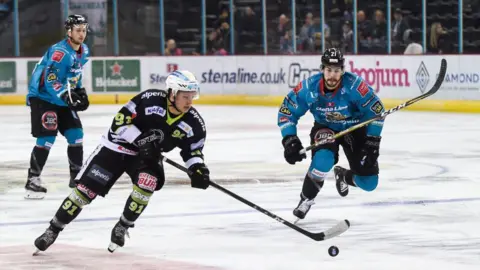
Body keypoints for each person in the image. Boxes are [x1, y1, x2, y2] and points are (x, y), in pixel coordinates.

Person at [33, 70, 210, 254]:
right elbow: (119, 122)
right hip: (115, 148)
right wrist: (141, 140)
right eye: (185, 96)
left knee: (147, 183)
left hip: (145, 157)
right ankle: (52, 230)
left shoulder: (194, 123)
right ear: (172, 93)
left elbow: (193, 151)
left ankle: (123, 226)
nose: (190, 101)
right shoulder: (149, 99)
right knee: (84, 193)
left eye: (192, 96)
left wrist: (198, 169)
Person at [277, 48, 385, 221]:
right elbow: (286, 112)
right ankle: (306, 199)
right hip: (326, 128)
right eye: (329, 70)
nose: (332, 75)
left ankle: (343, 175)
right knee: (323, 160)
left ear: (342, 70)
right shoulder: (308, 88)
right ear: (322, 69)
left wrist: (372, 142)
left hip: (354, 128)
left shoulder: (355, 86)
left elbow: (377, 111)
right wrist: (289, 139)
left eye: (336, 71)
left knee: (369, 183)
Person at [25, 14, 91, 199]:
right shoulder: (59, 53)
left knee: (76, 134)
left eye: (84, 30)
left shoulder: (83, 50)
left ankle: (76, 177)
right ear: (69, 31)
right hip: (43, 97)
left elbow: (74, 74)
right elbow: (50, 79)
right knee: (47, 137)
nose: (82, 34)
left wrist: (79, 92)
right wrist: (65, 95)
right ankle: (32, 181)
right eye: (78, 30)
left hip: (61, 98)